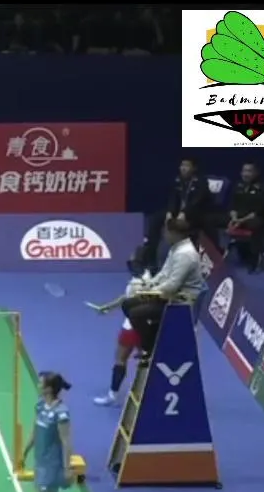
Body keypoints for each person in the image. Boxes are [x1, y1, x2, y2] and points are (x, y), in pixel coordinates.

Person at [18, 371, 88, 492]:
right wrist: (24, 452)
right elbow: (35, 431)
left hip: (52, 466)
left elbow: (66, 442)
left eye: (41, 383)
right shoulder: (40, 405)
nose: (38, 385)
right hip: (40, 462)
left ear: (49, 389)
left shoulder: (61, 413)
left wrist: (68, 468)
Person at [114, 219, 205, 359]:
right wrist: (149, 285)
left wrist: (149, 293)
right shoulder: (176, 249)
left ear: (175, 233)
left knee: (136, 313)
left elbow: (173, 285)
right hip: (168, 295)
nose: (164, 235)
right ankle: (154, 338)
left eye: (166, 232)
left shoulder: (185, 255)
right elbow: (164, 273)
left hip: (179, 301)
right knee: (127, 304)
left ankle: (151, 347)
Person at [90, 272, 151, 406]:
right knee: (147, 359)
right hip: (147, 326)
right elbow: (126, 297)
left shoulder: (138, 281)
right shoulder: (152, 277)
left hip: (131, 328)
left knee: (120, 360)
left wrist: (107, 307)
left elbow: (128, 298)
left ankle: (112, 395)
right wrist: (108, 306)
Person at [139, 158, 210, 270]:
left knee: (182, 225)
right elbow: (172, 198)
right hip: (178, 212)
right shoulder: (177, 180)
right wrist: (170, 212)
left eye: (187, 166)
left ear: (194, 168)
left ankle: (186, 257)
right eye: (182, 165)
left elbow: (197, 201)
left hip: (195, 213)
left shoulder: (201, 182)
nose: (183, 168)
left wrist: (185, 213)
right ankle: (151, 257)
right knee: (156, 219)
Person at [223, 162, 264, 271]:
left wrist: (240, 221)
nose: (245, 174)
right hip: (237, 218)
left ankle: (254, 259)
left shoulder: (262, 188)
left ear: (256, 173)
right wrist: (234, 219)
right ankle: (214, 253)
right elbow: (232, 205)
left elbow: (258, 210)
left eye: (249, 171)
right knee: (209, 220)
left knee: (255, 225)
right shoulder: (238, 186)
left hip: (254, 218)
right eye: (244, 171)